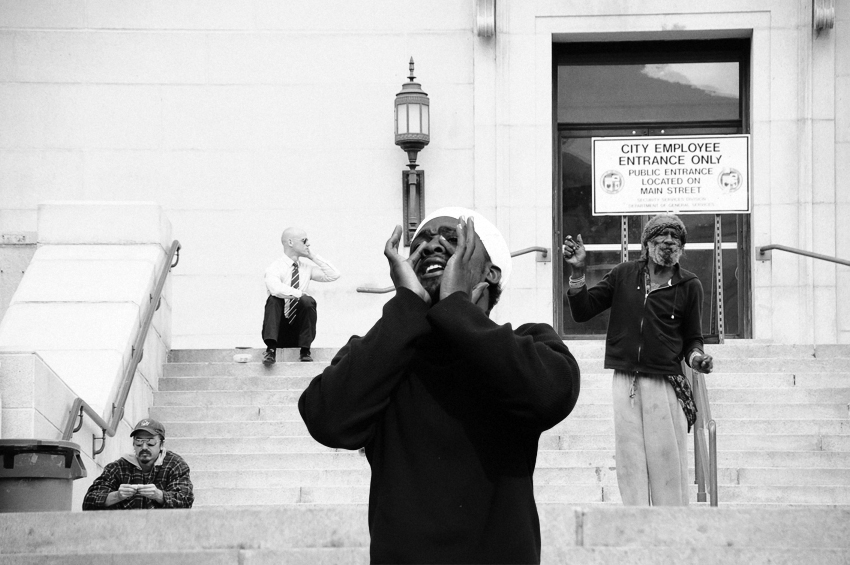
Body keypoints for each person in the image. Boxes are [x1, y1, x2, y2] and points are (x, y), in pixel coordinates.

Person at [299, 207, 581, 564]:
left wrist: (456, 306)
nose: (432, 245)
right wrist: (407, 304)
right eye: (420, 244)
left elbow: (550, 395)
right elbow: (327, 419)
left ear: (490, 272)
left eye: (452, 238)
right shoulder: (382, 357)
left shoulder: (530, 343)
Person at [563, 213, 714, 506]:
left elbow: (692, 339)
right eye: (662, 235)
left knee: (665, 458)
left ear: (681, 246)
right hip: (625, 380)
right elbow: (583, 311)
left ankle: (670, 525)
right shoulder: (623, 274)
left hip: (664, 382)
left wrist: (697, 358)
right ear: (646, 244)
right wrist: (578, 272)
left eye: (676, 237)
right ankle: (636, 521)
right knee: (630, 457)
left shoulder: (690, 285)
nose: (669, 240)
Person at [262, 227, 340, 364]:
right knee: (274, 299)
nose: (308, 244)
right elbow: (275, 289)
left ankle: (305, 351)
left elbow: (333, 275)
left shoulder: (306, 268)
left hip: (299, 333)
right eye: (304, 241)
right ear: (290, 242)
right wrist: (300, 294)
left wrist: (313, 257)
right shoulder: (275, 267)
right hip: (278, 331)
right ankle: (271, 350)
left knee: (307, 301)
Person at [82, 418, 193, 510]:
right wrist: (117, 495)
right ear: (133, 443)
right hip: (124, 530)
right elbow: (89, 502)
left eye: (150, 442)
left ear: (162, 444)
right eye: (139, 441)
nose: (144, 447)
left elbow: (185, 501)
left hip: (163, 530)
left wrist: (158, 495)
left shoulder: (176, 464)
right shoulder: (118, 467)